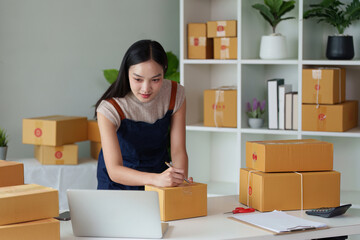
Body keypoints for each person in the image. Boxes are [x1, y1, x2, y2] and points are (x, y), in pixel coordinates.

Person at [94, 39, 192, 190]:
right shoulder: (110, 108)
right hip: (119, 182)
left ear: (164, 71)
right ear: (127, 72)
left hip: (159, 177)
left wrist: (178, 179)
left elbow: (178, 150)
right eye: (138, 79)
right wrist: (156, 179)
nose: (146, 88)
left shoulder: (175, 94)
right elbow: (114, 170)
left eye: (155, 79)